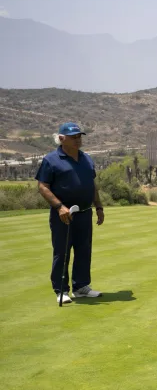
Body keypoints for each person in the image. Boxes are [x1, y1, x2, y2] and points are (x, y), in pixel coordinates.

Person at [36, 122, 104, 304]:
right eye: (73, 137)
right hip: (63, 215)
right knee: (62, 251)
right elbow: (43, 186)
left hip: (84, 212)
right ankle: (61, 290)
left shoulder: (87, 159)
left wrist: (99, 206)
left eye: (79, 136)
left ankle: (81, 286)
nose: (77, 140)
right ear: (61, 138)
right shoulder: (51, 160)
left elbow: (92, 185)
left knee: (83, 250)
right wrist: (59, 206)